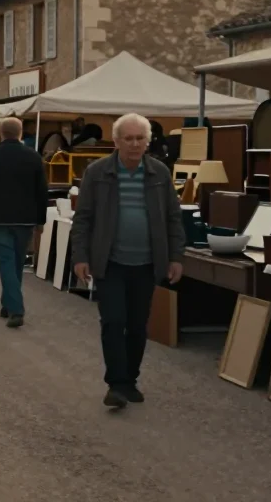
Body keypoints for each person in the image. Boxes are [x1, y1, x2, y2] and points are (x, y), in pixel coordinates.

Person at [71, 113, 185, 409]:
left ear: (148, 141)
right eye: (129, 138)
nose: (135, 144)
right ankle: (116, 384)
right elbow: (83, 218)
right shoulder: (97, 172)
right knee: (113, 321)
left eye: (140, 138)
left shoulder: (160, 173)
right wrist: (80, 256)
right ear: (116, 141)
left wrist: (175, 257)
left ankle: (130, 380)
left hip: (146, 264)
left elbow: (173, 218)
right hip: (110, 262)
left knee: (137, 325)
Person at [0, 118, 48, 328]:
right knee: (16, 263)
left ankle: (15, 309)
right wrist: (41, 219)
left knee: (6, 262)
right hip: (25, 219)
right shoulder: (33, 157)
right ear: (20, 133)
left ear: (1, 133)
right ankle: (8, 303)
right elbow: (42, 191)